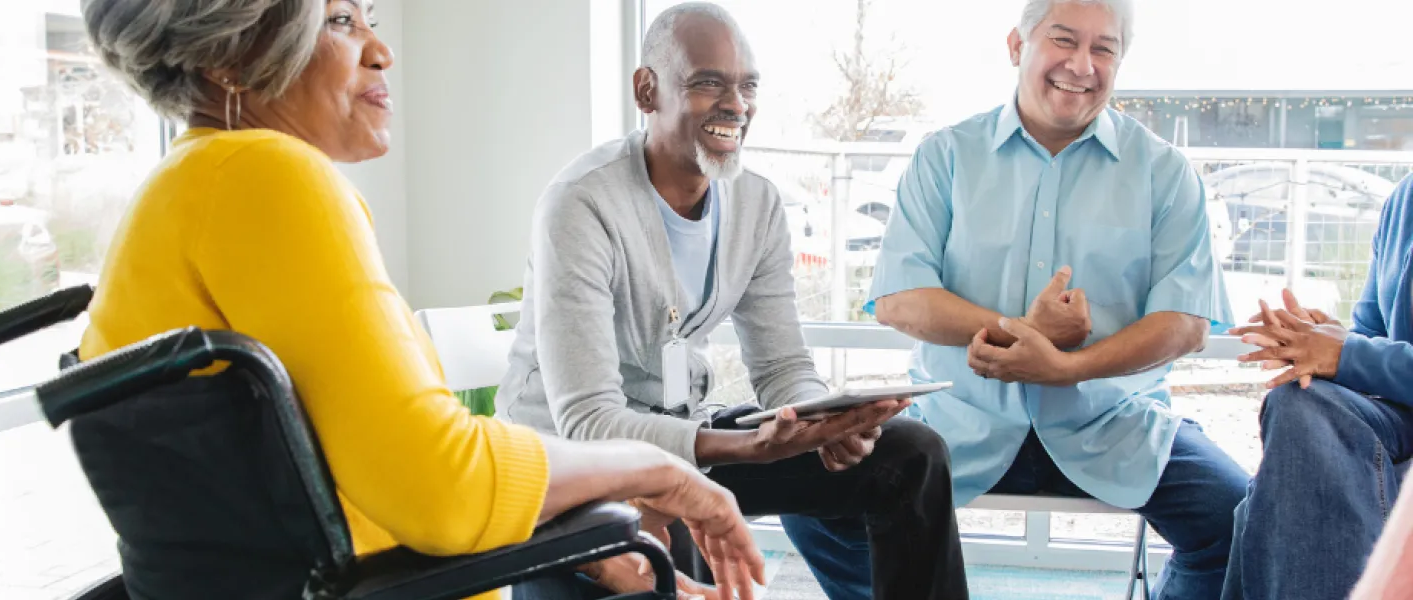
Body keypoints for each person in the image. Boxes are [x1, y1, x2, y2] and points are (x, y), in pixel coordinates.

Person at [76, 1, 764, 599]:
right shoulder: (261, 174)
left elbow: (371, 475)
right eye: (341, 21)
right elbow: (443, 487)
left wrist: (568, 515)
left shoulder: (188, 185)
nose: (382, 50)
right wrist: (651, 468)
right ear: (230, 59)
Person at [496, 3, 967, 599]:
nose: (736, 104)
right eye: (708, 83)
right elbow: (589, 422)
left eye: (747, 87)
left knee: (911, 456)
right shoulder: (581, 206)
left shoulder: (757, 205)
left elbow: (783, 368)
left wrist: (821, 421)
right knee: (670, 559)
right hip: (579, 469)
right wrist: (744, 446)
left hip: (684, 437)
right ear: (647, 89)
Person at [856, 0, 1249, 598]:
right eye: (1063, 40)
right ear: (1017, 46)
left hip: (1115, 423)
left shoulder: (1165, 172)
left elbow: (1186, 323)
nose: (1082, 64)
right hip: (958, 420)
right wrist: (1019, 331)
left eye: (1104, 48)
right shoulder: (946, 156)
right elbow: (898, 300)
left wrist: (1068, 367)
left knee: (1242, 521)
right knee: (823, 498)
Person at [1222, 173, 1413, 599]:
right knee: (1300, 403)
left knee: (1277, 501)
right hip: (1400, 421)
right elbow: (1373, 333)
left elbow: (1363, 355)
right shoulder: (1405, 197)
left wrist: (1349, 355)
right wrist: (1321, 339)